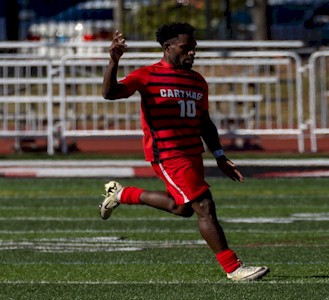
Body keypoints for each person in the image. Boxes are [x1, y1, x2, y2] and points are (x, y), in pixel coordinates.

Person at [99, 23, 268, 281]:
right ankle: (233, 268)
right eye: (185, 48)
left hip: (192, 154)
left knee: (183, 209)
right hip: (168, 154)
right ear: (167, 48)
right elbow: (110, 93)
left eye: (194, 49)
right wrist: (114, 62)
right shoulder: (148, 75)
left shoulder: (197, 80)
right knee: (204, 205)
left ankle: (121, 193)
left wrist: (220, 156)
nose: (192, 53)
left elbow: (205, 122)